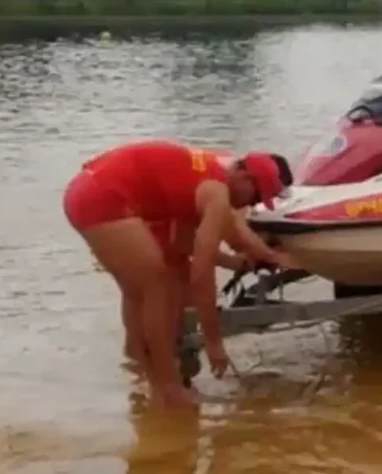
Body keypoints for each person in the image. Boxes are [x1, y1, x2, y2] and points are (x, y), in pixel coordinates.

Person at [62, 140, 290, 408]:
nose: (248, 203)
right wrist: (214, 342)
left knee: (140, 289)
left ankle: (139, 367)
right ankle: (167, 388)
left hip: (87, 188)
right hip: (104, 195)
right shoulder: (217, 193)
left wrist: (237, 261)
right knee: (158, 288)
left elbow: (184, 244)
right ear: (243, 176)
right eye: (254, 197)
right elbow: (201, 275)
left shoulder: (207, 174)